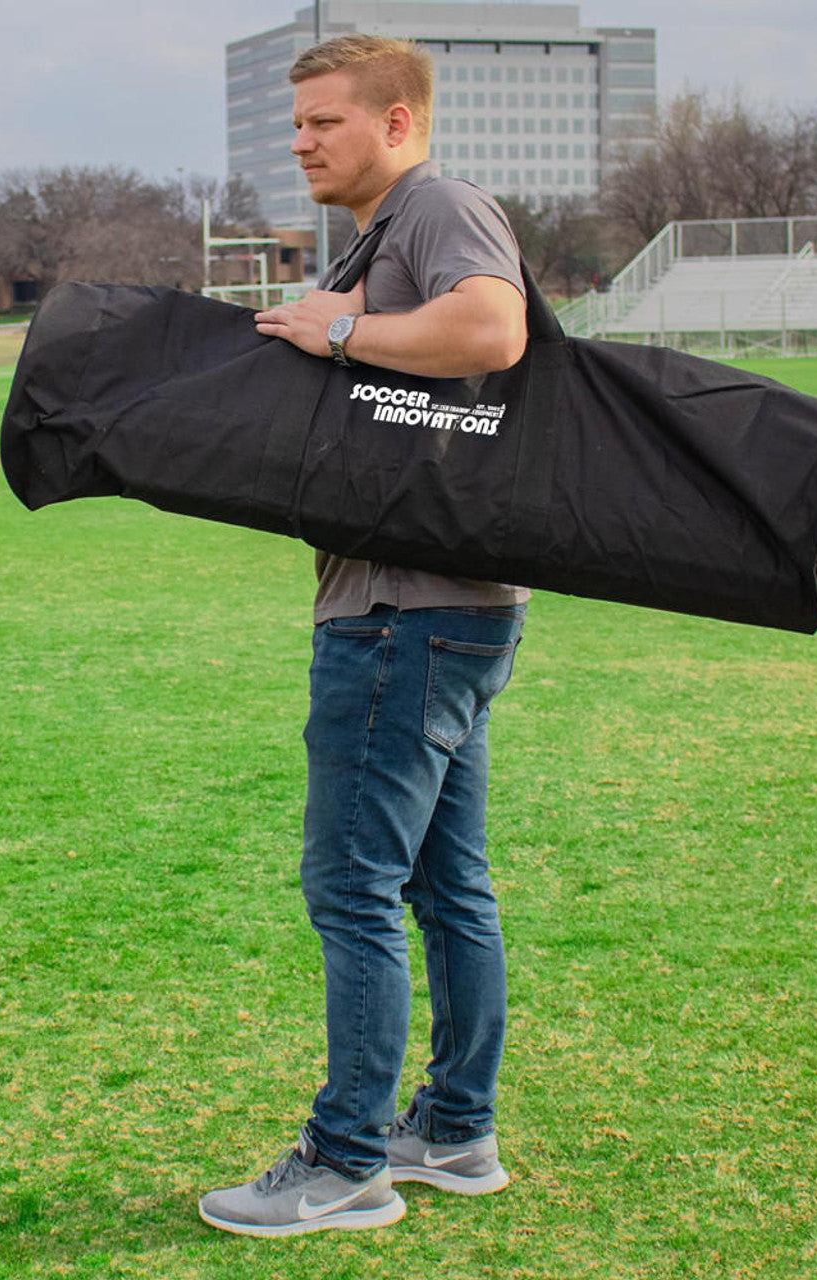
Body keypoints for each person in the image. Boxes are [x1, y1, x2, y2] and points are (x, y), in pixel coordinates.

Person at [198, 34, 530, 1238]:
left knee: (352, 887)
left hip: (402, 615)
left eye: (322, 121)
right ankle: (451, 1127)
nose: (299, 141)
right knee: (447, 886)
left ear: (395, 123)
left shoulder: (436, 204)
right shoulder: (381, 235)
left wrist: (332, 333)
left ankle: (344, 1160)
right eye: (294, 122)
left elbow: (491, 332)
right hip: (449, 608)